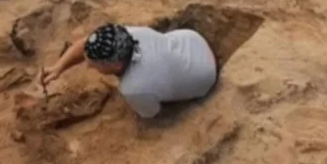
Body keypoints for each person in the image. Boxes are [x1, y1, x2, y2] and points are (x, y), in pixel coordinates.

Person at [42, 23, 218, 118]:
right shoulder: (130, 35)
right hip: (193, 42)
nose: (88, 66)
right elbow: (86, 43)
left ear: (116, 66)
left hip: (204, 78)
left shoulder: (134, 88)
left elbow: (152, 113)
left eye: (95, 64)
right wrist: (59, 67)